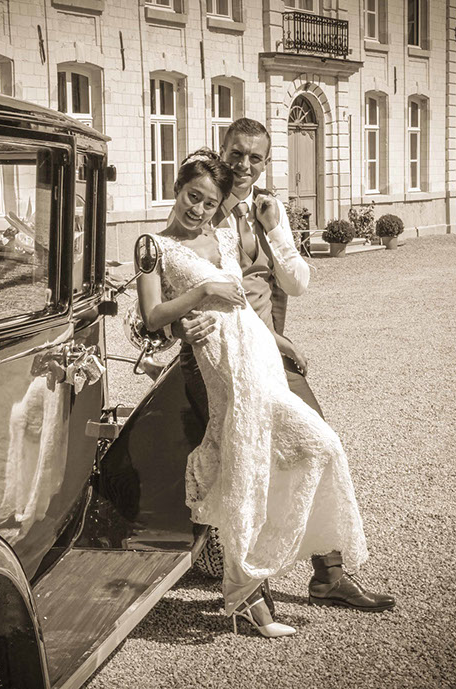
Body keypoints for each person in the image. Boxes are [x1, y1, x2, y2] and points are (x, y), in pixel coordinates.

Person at [137, 149, 387, 640]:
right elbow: (151, 316)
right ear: (177, 188)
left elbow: (245, 309)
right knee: (245, 473)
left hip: (260, 359)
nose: (199, 209)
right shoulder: (153, 245)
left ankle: (307, 569)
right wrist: (198, 294)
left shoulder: (218, 237)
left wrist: (280, 339)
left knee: (319, 444)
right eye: (193, 197)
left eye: (209, 203)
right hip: (226, 373)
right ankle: (247, 595)